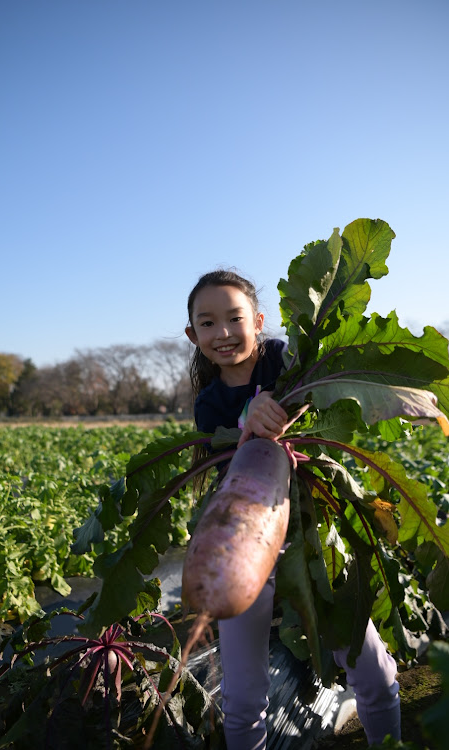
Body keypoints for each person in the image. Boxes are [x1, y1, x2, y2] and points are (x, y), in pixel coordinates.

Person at [185, 269, 401, 750]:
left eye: (234, 318)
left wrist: (284, 406)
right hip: (244, 541)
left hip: (312, 532)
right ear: (192, 335)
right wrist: (249, 419)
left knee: (375, 673)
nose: (222, 333)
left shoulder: (289, 362)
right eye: (207, 323)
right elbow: (237, 442)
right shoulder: (209, 404)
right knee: (242, 703)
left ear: (258, 320)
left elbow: (324, 398)